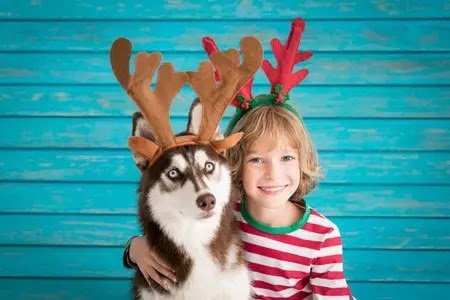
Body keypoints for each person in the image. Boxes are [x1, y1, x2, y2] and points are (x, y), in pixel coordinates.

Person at [123, 18, 354, 299]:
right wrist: (135, 248)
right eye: (256, 160)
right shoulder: (223, 211)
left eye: (286, 158)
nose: (273, 173)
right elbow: (172, 230)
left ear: (302, 160)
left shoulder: (322, 236)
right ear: (235, 164)